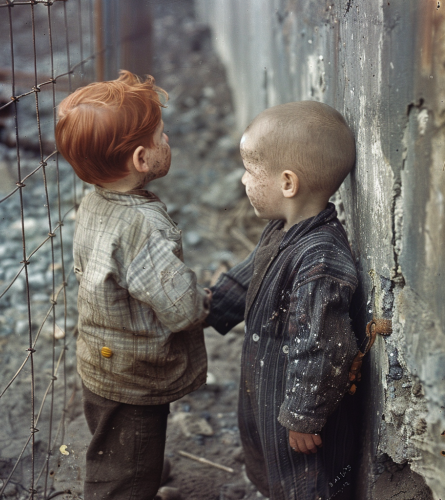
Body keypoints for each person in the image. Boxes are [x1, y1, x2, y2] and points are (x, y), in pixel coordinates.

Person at [55, 70, 211, 500]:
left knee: (112, 435)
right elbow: (181, 309)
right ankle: (130, 484)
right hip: (135, 372)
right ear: (142, 160)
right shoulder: (143, 226)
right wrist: (204, 301)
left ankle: (138, 469)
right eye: (163, 137)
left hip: (99, 356)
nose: (169, 142)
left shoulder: (94, 200)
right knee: (129, 458)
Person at [205, 101, 360, 500]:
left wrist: (305, 415)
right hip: (267, 389)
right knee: (271, 467)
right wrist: (207, 306)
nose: (242, 181)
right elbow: (248, 278)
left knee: (303, 482)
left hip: (296, 414)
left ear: (287, 183)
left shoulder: (320, 260)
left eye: (250, 171)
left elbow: (323, 346)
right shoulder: (281, 229)